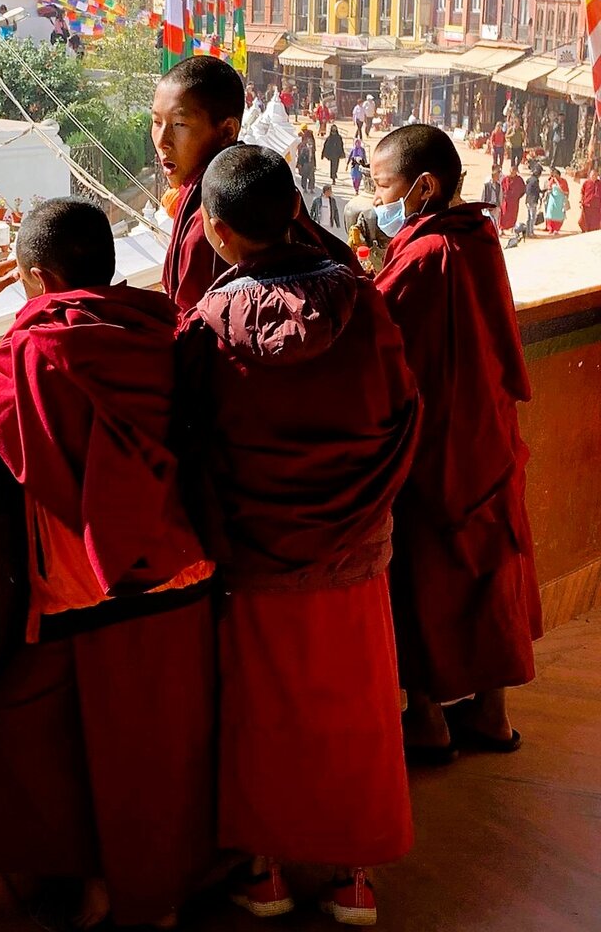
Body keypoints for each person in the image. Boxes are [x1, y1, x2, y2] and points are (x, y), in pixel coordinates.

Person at [0, 198, 216, 930]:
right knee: (142, 750)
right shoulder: (164, 329)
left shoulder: (35, 353)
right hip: (181, 572)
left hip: (98, 588)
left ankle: (136, 902)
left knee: (83, 753)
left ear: (32, 278)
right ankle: (121, 890)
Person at [178, 144, 419, 926]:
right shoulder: (363, 303)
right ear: (294, 213)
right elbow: (402, 412)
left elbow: (192, 442)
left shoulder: (208, 328)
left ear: (215, 233)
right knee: (358, 706)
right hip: (355, 547)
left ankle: (268, 872)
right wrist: (369, 504)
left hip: (257, 554)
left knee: (264, 711)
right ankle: (353, 879)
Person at [371, 124, 543, 764]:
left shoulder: (425, 256)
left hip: (439, 448)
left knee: (427, 579)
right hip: (490, 436)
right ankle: (493, 718)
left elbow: (378, 327)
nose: (374, 196)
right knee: (491, 572)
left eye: (382, 184)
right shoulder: (476, 236)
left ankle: (430, 721)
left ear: (422, 187)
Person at [152, 57, 361, 314]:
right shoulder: (262, 182)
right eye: (156, 122)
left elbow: (193, 327)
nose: (163, 140)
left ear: (228, 131)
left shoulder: (210, 220)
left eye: (179, 124)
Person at [499, 164, 526, 233]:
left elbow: (523, 189)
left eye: (513, 172)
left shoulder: (519, 180)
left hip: (514, 201)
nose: (512, 173)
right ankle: (502, 228)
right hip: (505, 201)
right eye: (511, 172)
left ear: (516, 172)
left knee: (513, 215)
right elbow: (501, 188)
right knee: (504, 214)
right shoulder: (505, 179)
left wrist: (518, 197)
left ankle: (512, 228)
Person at [544, 166, 570, 233]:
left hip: (560, 200)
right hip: (552, 199)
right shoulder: (552, 180)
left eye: (556, 175)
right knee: (550, 213)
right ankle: (550, 228)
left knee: (559, 215)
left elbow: (566, 191)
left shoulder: (563, 181)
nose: (554, 176)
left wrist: (566, 199)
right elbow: (549, 188)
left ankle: (556, 229)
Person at [481, 165, 503, 230]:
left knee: (495, 222)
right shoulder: (487, 185)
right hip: (487, 207)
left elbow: (500, 196)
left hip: (495, 207)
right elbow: (483, 196)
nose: (498, 178)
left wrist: (499, 206)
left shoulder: (499, 186)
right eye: (496, 176)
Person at [579, 167, 601, 232]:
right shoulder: (586, 183)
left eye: (595, 175)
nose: (594, 176)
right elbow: (582, 192)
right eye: (592, 175)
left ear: (597, 175)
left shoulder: (600, 183)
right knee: (584, 220)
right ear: (590, 175)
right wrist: (580, 202)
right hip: (587, 204)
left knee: (595, 222)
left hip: (597, 206)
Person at [296, 127, 317, 193]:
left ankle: (311, 188)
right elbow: (301, 155)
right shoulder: (303, 146)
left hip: (311, 163)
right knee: (304, 176)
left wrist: (315, 164)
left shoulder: (312, 148)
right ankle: (304, 188)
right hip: (305, 163)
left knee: (312, 177)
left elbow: (313, 156)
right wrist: (299, 164)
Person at [524, 168, 543, 238]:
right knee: (533, 217)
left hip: (528, 200)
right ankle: (531, 232)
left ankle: (527, 232)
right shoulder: (535, 181)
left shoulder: (529, 180)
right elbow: (537, 190)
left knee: (529, 217)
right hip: (533, 200)